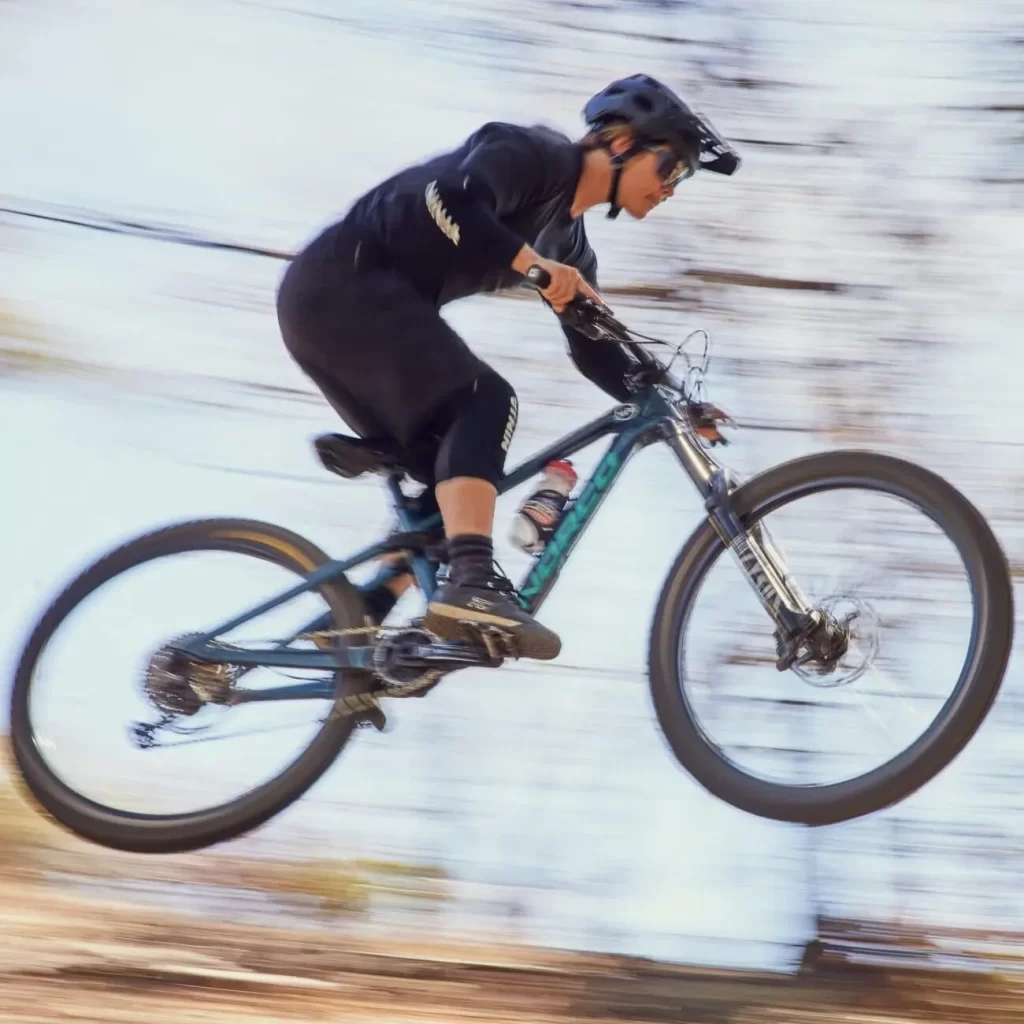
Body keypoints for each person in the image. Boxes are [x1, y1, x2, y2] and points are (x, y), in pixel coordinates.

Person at [276, 73, 739, 662]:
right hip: (343, 283)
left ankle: (359, 626)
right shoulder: (535, 155)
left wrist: (673, 402)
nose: (672, 188)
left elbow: (593, 347)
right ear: (622, 143)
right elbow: (447, 199)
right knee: (486, 402)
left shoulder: (568, 244)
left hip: (343, 311)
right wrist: (536, 270)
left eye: (681, 181)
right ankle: (472, 583)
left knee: (460, 471)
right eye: (671, 169)